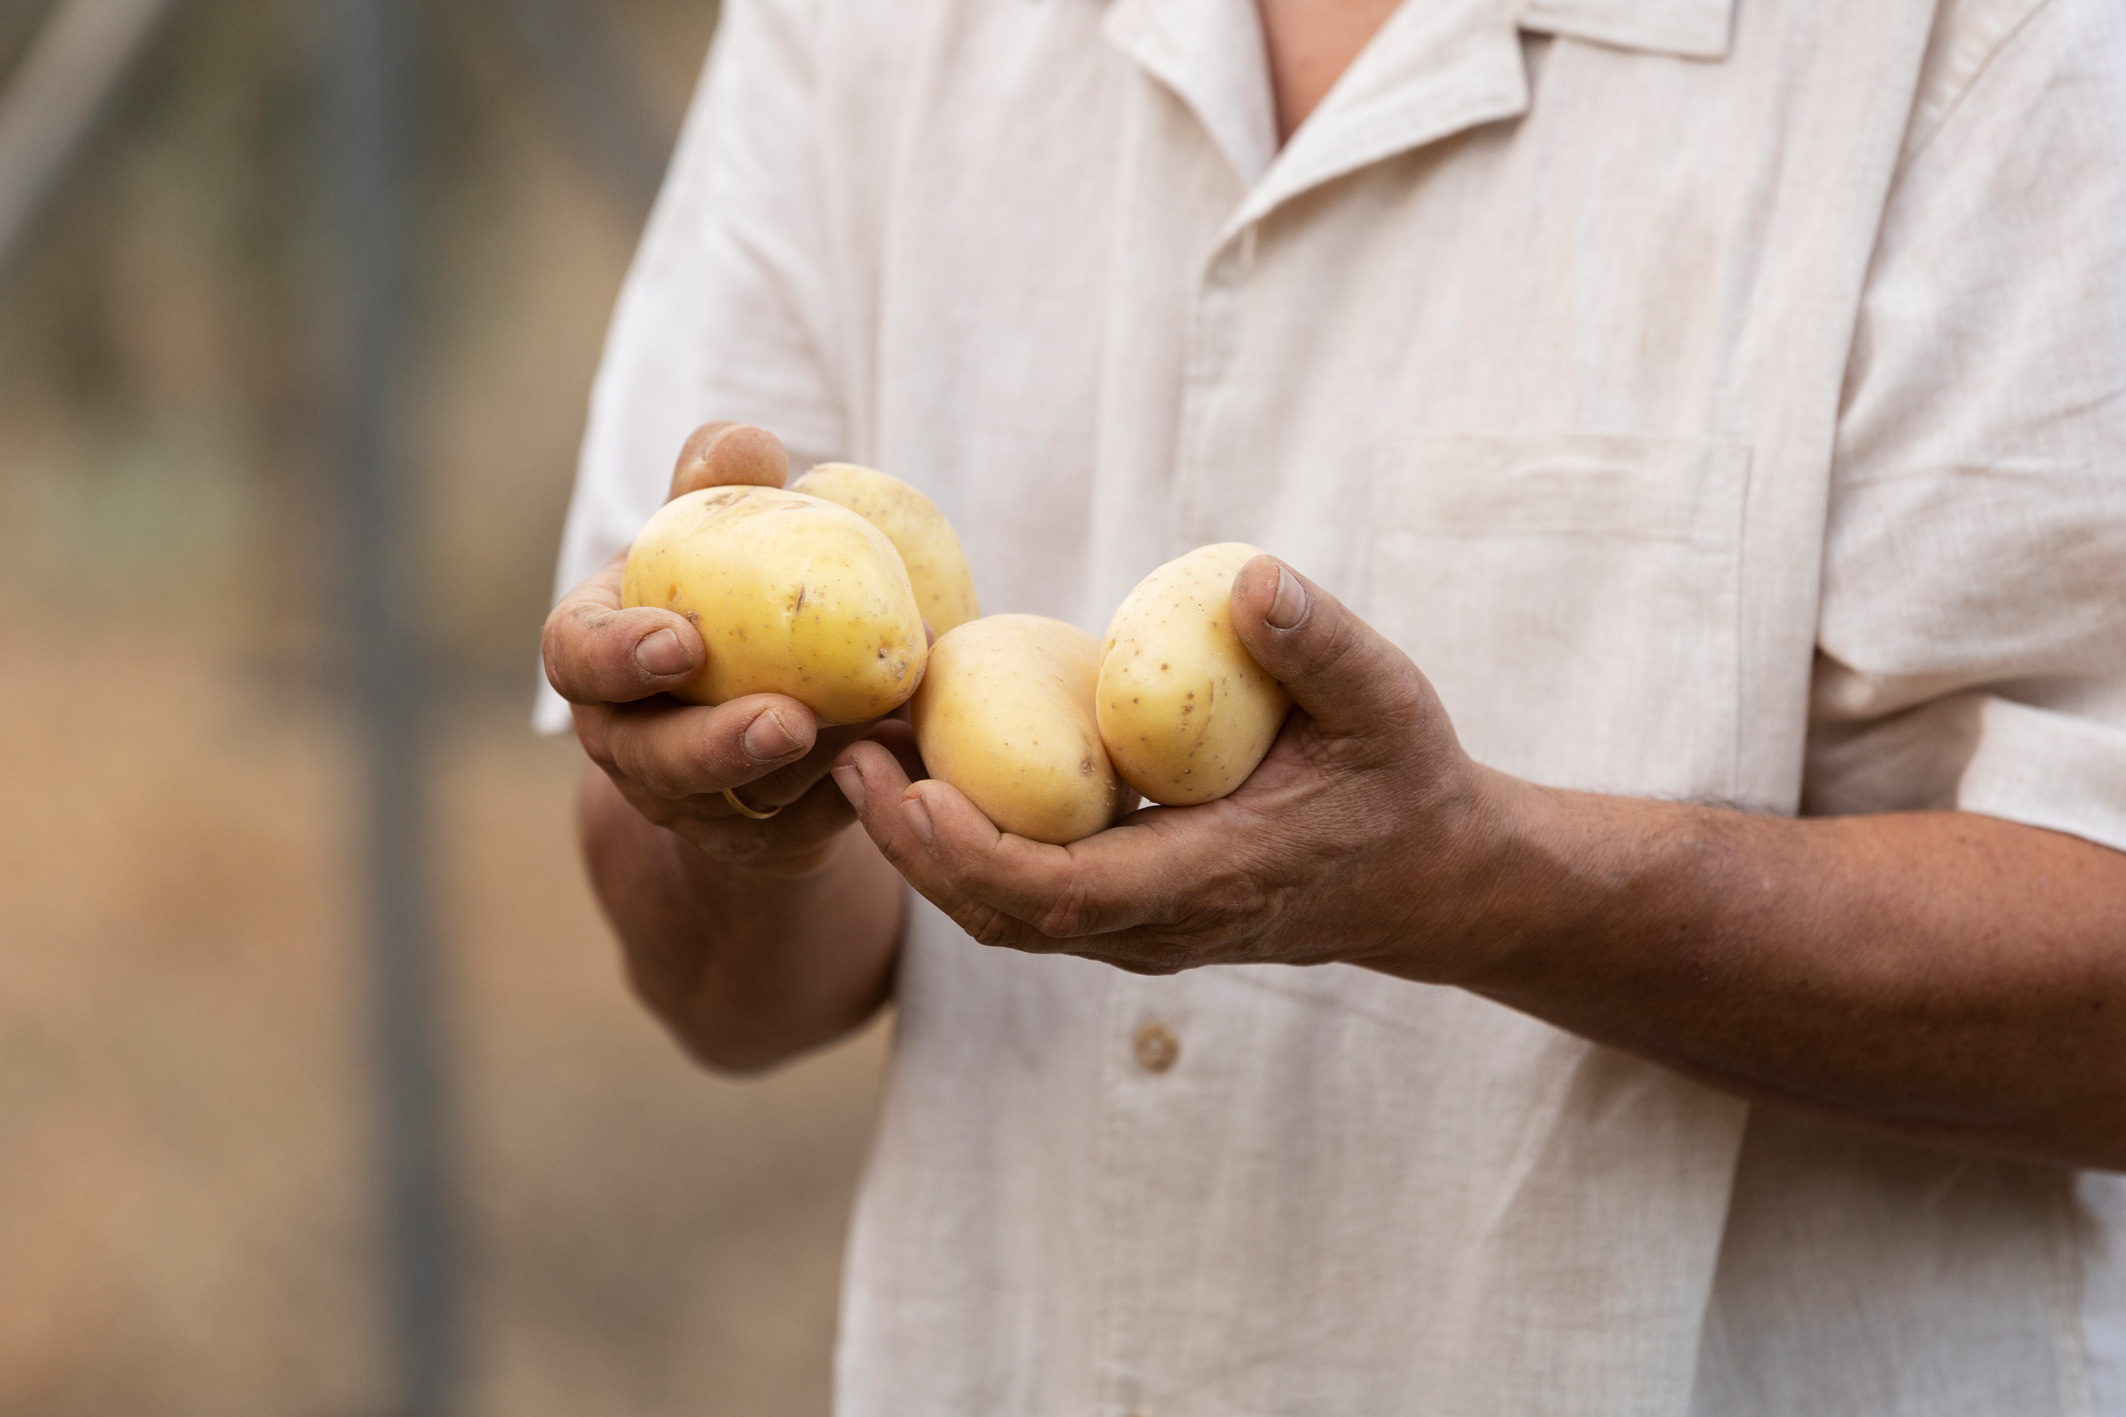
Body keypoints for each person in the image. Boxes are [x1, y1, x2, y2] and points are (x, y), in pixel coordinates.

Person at [536, 0, 2126, 1410]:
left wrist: (1483, 888)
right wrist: (742, 826)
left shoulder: (1993, 51)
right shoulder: (855, 32)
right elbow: (726, 1002)